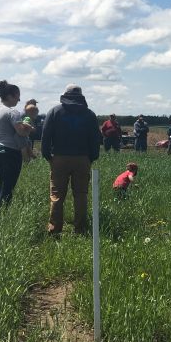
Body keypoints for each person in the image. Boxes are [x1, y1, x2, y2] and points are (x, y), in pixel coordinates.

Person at [41, 84, 101, 236]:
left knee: (56, 195)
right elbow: (96, 139)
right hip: (82, 158)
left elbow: (46, 136)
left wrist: (48, 156)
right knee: (81, 194)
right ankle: (80, 230)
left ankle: (54, 230)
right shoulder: (89, 114)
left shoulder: (54, 111)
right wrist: (92, 157)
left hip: (59, 158)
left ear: (65, 94)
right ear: (81, 96)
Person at [0, 81, 31, 206]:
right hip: (10, 151)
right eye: (17, 98)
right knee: (9, 185)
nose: (18, 100)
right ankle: (3, 212)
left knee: (2, 182)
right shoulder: (13, 112)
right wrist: (28, 127)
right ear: (10, 96)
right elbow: (21, 132)